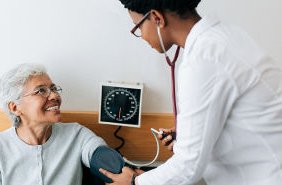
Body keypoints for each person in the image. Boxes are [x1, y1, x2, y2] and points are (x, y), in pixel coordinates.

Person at [99, 0, 282, 185]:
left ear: (157, 18)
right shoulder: (226, 36)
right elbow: (242, 123)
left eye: (137, 27)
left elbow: (188, 167)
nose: (143, 37)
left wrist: (134, 182)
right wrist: (190, 134)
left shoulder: (204, 59)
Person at [0, 63, 108, 185]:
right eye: (41, 91)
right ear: (15, 108)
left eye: (54, 89)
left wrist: (122, 171)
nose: (54, 96)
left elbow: (101, 155)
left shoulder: (77, 134)